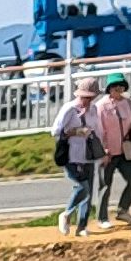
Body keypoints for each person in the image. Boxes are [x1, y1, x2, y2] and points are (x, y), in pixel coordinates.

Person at [92, 75, 131, 227]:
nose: (119, 89)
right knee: (105, 185)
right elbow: (98, 130)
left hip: (124, 151)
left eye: (121, 86)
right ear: (109, 88)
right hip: (107, 153)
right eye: (115, 86)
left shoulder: (127, 103)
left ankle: (123, 210)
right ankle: (102, 218)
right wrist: (103, 150)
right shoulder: (101, 106)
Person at [51, 82, 102, 234]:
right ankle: (66, 214)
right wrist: (74, 132)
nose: (87, 100)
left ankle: (82, 226)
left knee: (89, 191)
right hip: (72, 154)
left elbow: (97, 129)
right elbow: (55, 131)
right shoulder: (69, 109)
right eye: (85, 97)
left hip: (88, 153)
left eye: (91, 97)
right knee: (83, 187)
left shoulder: (93, 109)